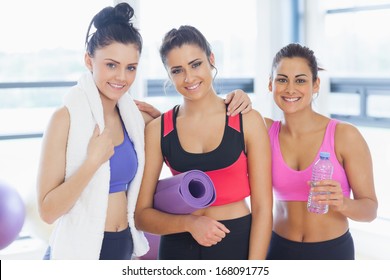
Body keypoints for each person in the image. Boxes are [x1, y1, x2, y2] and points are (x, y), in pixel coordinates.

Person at [36, 3, 251, 260]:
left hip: (122, 245)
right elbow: (48, 211)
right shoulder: (65, 119)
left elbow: (180, 134)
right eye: (111, 65)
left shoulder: (135, 119)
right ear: (88, 60)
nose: (121, 77)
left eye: (131, 67)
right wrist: (92, 161)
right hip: (81, 250)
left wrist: (238, 99)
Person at [135, 25, 273, 260]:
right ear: (169, 75)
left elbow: (263, 210)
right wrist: (190, 224)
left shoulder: (247, 120)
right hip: (178, 246)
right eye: (177, 70)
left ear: (211, 59)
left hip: (236, 242)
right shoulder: (158, 130)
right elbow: (142, 216)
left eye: (195, 64)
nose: (189, 78)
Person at [264, 43, 378, 260]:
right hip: (279, 250)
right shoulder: (264, 130)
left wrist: (343, 203)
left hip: (331, 252)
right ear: (270, 84)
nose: (290, 89)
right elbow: (220, 114)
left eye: (300, 80)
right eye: (281, 79)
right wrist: (239, 95)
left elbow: (370, 210)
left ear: (315, 84)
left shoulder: (345, 136)